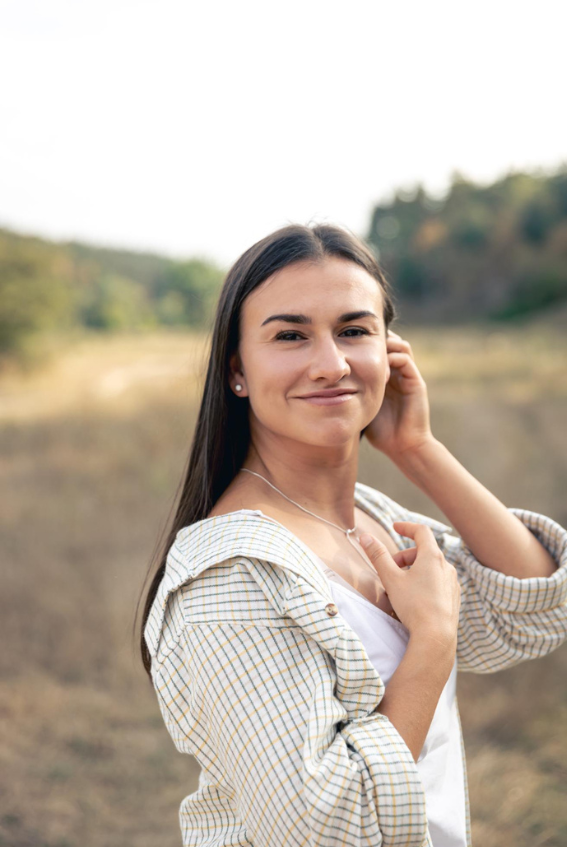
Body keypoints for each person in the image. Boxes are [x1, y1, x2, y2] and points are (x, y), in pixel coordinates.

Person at [137, 222, 567, 847]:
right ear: (237, 371)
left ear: (390, 350)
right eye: (290, 335)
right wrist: (433, 639)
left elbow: (533, 610)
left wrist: (418, 448)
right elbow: (324, 830)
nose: (331, 364)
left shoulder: (367, 518)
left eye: (353, 330)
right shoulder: (232, 577)